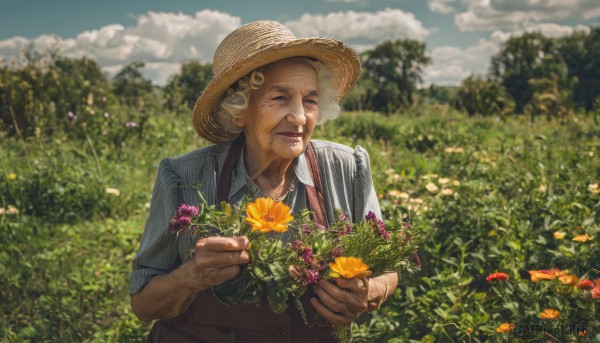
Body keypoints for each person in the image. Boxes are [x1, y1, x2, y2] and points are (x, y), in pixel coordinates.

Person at [130, 20, 398, 342]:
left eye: (310, 101)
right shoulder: (184, 176)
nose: (299, 117)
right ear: (241, 109)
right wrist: (191, 276)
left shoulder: (347, 168)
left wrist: (369, 291)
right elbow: (144, 304)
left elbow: (387, 270)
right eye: (280, 98)